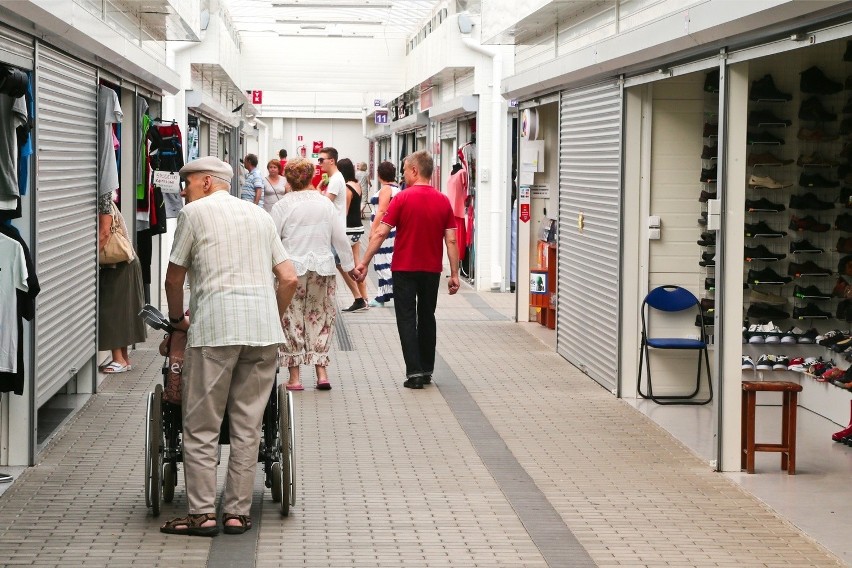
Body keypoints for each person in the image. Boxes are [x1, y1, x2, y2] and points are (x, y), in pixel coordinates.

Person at [160, 156, 298, 537]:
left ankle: (202, 515)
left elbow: (174, 280)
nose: (183, 192)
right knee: (248, 424)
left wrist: (176, 322)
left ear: (206, 182)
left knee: (202, 425)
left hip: (215, 330)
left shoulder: (195, 214)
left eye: (186, 185)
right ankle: (237, 513)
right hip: (261, 331)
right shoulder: (259, 216)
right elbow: (288, 278)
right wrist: (272, 313)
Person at [353, 150, 459, 389]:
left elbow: (381, 232)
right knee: (427, 317)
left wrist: (364, 262)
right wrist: (453, 274)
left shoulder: (401, 199)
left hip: (404, 269)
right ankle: (427, 369)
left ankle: (414, 373)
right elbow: (451, 240)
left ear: (414, 170)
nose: (402, 175)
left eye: (404, 170)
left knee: (407, 319)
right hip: (431, 270)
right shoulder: (443, 200)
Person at [270, 158, 357, 391]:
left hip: (291, 270)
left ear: (288, 179)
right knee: (321, 316)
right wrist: (350, 267)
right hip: (323, 268)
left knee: (291, 318)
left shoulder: (281, 206)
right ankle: (321, 373)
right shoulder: (324, 204)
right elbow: (340, 237)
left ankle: (295, 377)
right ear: (312, 177)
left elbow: (272, 240)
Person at [97, 192, 147, 373]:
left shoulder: (103, 201)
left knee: (112, 311)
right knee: (122, 311)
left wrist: (90, 257)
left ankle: (119, 359)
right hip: (126, 262)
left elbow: (104, 232)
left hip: (118, 264)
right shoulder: (108, 200)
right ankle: (124, 359)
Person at [318, 147, 368, 312]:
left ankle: (359, 295)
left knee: (338, 265)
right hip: (338, 230)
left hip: (338, 230)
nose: (319, 164)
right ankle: (359, 297)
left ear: (331, 160)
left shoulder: (336, 180)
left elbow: (325, 204)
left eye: (321, 160)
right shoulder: (337, 179)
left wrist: (316, 192)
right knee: (342, 264)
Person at [367, 161, 401, 307]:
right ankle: (382, 295)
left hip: (384, 230)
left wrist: (373, 230)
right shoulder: (397, 189)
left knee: (383, 262)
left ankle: (399, 290)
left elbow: (381, 211)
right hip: (392, 230)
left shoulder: (386, 189)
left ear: (379, 175)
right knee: (385, 260)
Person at [337, 158, 369, 307]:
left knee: (342, 263)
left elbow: (344, 212)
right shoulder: (356, 185)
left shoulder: (346, 188)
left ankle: (358, 298)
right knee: (357, 265)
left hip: (348, 229)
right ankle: (365, 297)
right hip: (358, 229)